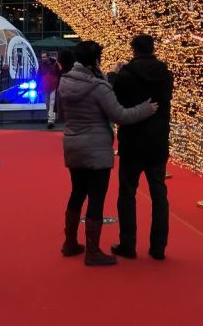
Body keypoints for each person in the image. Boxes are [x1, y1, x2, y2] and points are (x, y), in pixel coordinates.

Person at [58, 40, 157, 266]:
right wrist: (145, 109)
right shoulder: (97, 88)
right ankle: (92, 251)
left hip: (73, 145)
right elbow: (119, 115)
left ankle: (70, 242)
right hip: (96, 149)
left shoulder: (65, 82)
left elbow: (62, 112)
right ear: (95, 60)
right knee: (96, 197)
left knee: (77, 193)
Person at [109, 34, 174, 260]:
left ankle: (128, 244)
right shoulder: (165, 74)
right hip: (158, 141)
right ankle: (158, 247)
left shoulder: (126, 75)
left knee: (127, 192)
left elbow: (115, 102)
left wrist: (115, 76)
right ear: (153, 48)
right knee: (159, 193)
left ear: (133, 49)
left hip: (133, 140)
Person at [39, 52, 61, 129]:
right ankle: (50, 118)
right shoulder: (42, 65)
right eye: (42, 57)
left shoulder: (55, 64)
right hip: (45, 86)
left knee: (51, 103)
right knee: (48, 103)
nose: (43, 59)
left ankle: (50, 120)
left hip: (52, 86)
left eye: (44, 57)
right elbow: (38, 75)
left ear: (48, 57)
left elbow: (59, 74)